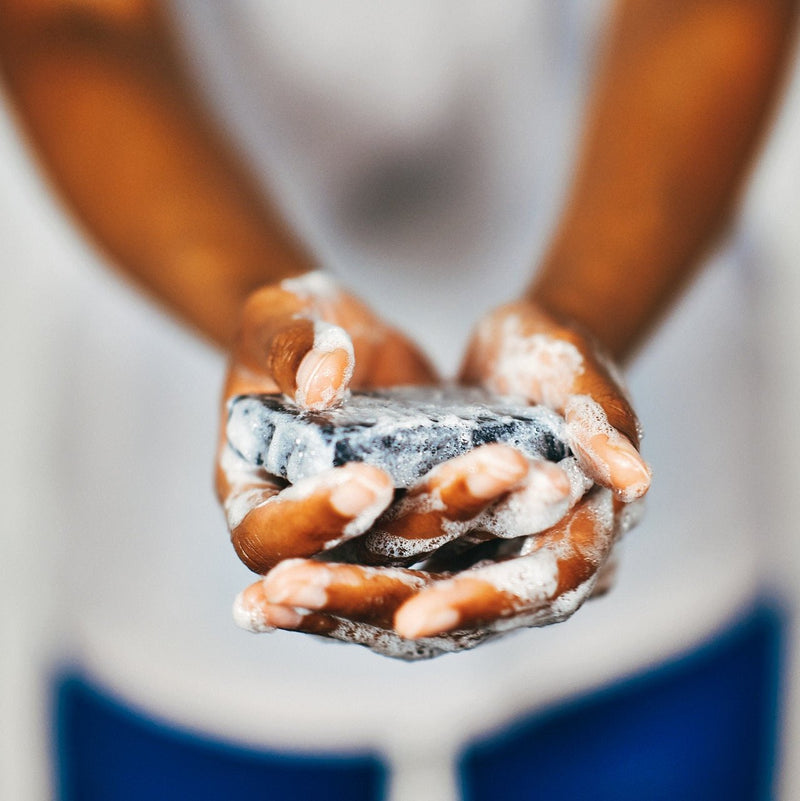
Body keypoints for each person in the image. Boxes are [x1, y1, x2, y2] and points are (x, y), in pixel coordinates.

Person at [0, 0, 796, 798]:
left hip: (653, 407)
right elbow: (73, 19)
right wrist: (264, 309)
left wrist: (585, 311)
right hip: (173, 470)